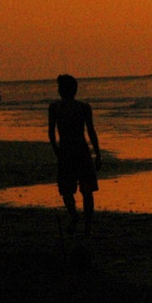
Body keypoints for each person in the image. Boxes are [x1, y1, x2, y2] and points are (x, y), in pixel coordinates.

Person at [47, 75, 101, 234]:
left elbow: (51, 131)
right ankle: (86, 224)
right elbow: (91, 131)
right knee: (85, 190)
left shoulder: (55, 107)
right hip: (80, 151)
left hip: (67, 151)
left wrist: (55, 148)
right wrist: (97, 152)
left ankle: (76, 217)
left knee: (68, 189)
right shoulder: (83, 107)